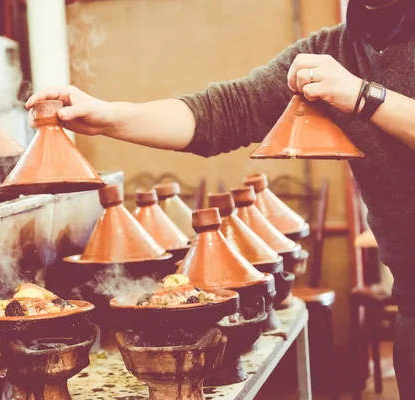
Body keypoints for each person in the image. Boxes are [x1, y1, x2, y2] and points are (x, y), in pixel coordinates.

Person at [26, 0, 415, 397]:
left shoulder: (350, 74)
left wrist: (364, 96)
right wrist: (107, 116)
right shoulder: (336, 50)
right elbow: (226, 111)